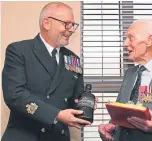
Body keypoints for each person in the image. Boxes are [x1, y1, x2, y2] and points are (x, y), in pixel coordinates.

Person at [2, 2, 94, 141]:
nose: (72, 29)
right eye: (67, 23)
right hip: (25, 136)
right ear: (47, 23)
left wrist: (84, 105)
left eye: (73, 25)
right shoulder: (19, 51)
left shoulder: (73, 59)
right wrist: (56, 114)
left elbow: (73, 99)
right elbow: (15, 95)